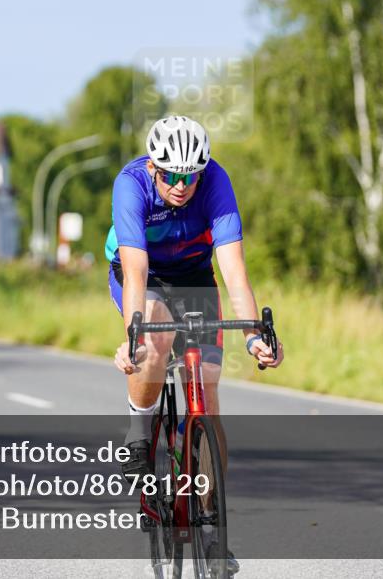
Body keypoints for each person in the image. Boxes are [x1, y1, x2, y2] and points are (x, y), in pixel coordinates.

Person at [107, 115, 285, 573]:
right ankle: (139, 431)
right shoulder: (131, 185)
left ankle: (211, 528)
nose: (183, 185)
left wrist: (253, 337)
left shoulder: (216, 182)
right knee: (158, 332)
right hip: (142, 272)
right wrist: (133, 333)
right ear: (153, 168)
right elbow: (135, 273)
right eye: (172, 176)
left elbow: (235, 274)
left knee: (206, 393)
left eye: (192, 175)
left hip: (193, 275)